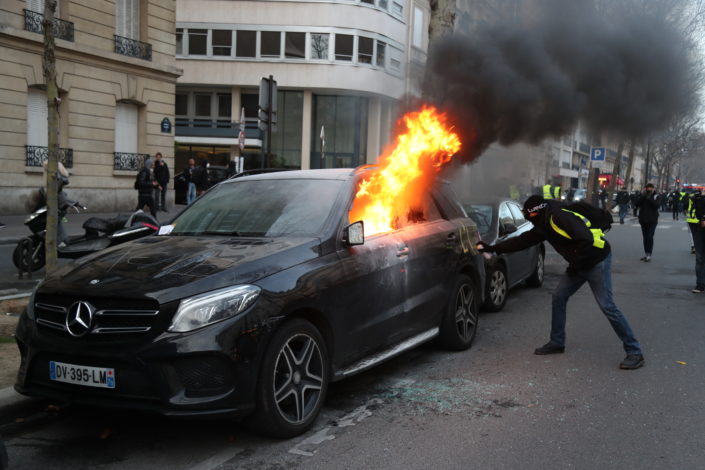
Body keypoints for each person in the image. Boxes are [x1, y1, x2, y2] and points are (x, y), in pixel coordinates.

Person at [477, 195, 644, 369]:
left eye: (529, 216)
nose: (529, 220)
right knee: (559, 296)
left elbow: (586, 240)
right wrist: (493, 248)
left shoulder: (558, 217)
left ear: (536, 212)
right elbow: (522, 241)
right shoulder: (543, 222)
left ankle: (635, 351)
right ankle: (557, 342)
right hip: (580, 262)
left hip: (596, 260)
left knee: (607, 306)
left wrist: (575, 265)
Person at [636, 183, 659, 262]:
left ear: (653, 189)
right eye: (647, 188)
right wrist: (643, 196)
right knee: (645, 238)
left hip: (652, 220)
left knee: (649, 237)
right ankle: (646, 254)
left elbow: (657, 206)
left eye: (650, 188)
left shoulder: (656, 196)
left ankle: (649, 254)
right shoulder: (643, 196)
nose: (649, 190)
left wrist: (649, 198)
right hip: (643, 219)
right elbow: (637, 204)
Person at [692, 191, 705, 293]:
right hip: (701, 232)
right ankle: (700, 284)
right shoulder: (701, 200)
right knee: (699, 258)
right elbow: (698, 213)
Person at [686, 190, 701, 255]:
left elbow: (685, 206)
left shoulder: (689, 198)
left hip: (690, 219)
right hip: (699, 219)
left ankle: (693, 247)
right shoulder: (702, 199)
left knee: (691, 233)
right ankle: (698, 246)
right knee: (699, 234)